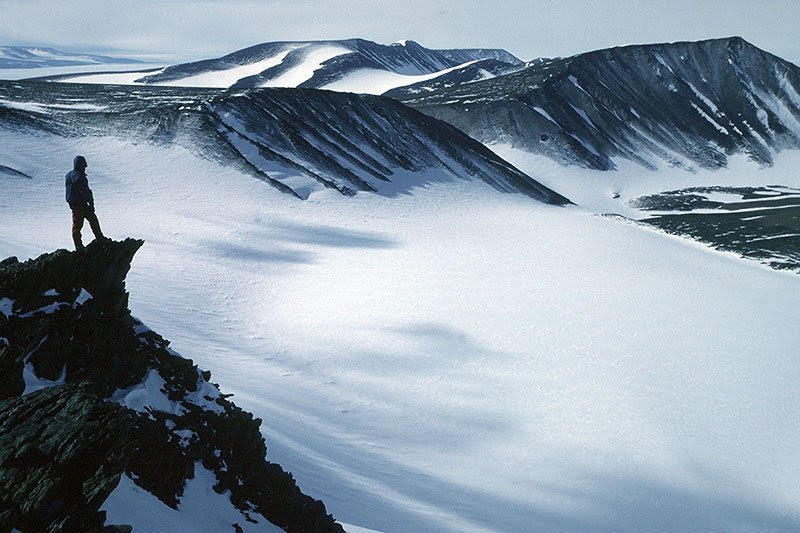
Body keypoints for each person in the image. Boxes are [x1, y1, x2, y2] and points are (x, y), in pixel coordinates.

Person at [65, 155, 105, 251]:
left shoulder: (69, 175)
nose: (85, 167)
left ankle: (80, 244)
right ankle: (81, 244)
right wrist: (91, 204)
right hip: (80, 204)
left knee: (81, 222)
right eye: (84, 165)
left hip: (74, 203)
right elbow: (85, 191)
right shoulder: (80, 176)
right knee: (81, 222)